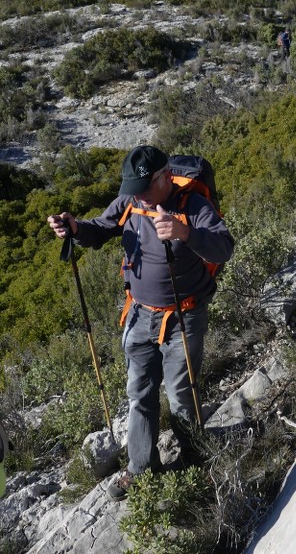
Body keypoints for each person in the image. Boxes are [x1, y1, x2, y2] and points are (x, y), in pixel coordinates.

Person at [47, 146, 234, 501]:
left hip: (184, 316)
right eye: (133, 188)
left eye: (145, 187)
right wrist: (74, 228)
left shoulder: (193, 206)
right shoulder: (131, 200)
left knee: (181, 394)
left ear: (165, 177)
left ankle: (194, 462)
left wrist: (184, 233)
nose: (138, 195)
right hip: (139, 314)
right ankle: (140, 468)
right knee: (139, 394)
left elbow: (224, 247)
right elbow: (100, 229)